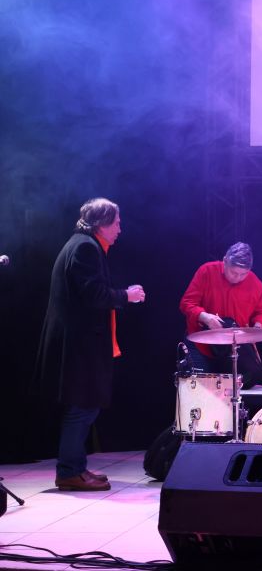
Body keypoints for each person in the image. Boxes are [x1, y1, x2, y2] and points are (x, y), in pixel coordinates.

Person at [35, 198, 146, 491]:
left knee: (85, 405)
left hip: (79, 343)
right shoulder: (86, 248)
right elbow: (93, 295)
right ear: (102, 223)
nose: (120, 229)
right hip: (79, 344)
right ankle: (69, 472)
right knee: (83, 406)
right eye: (117, 223)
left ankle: (75, 467)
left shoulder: (83, 244)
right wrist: (127, 296)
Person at [179, 242, 262, 386]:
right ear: (225, 261)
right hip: (201, 345)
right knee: (199, 391)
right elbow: (186, 303)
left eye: (243, 274)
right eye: (234, 272)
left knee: (235, 390)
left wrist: (258, 327)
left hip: (232, 349)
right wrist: (205, 317)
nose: (238, 277)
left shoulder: (255, 283)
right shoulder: (206, 271)